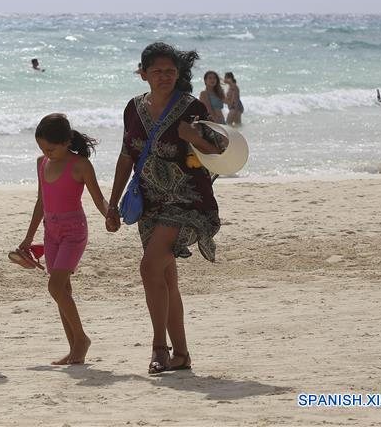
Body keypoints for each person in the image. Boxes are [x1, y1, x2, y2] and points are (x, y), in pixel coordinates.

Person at [106, 42, 227, 375]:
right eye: (157, 71)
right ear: (142, 73)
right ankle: (182, 355)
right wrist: (112, 204)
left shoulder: (191, 107)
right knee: (165, 277)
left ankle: (159, 348)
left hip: (186, 197)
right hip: (149, 201)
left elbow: (221, 148)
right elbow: (126, 156)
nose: (164, 76)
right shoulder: (133, 108)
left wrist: (194, 136)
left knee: (148, 268)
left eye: (170, 71)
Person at [17, 114, 110, 365]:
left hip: (73, 231)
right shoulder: (41, 163)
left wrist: (110, 215)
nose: (46, 152)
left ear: (67, 141)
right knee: (62, 290)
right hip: (51, 232)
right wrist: (28, 237)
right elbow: (41, 202)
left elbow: (98, 198)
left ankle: (81, 339)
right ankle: (74, 349)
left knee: (55, 287)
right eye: (42, 148)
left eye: (51, 148)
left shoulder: (79, 165)